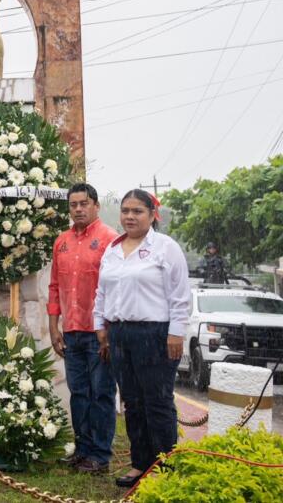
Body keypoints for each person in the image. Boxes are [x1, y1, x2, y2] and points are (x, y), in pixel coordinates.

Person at [93, 189, 191, 489]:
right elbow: (102, 292)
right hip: (120, 334)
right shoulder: (112, 249)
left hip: (156, 333)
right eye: (125, 211)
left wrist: (176, 332)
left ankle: (163, 466)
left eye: (137, 211)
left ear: (151, 215)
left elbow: (180, 295)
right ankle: (140, 463)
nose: (130, 217)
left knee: (157, 401)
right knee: (132, 402)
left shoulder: (165, 247)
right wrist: (101, 327)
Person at [47, 183, 118, 475]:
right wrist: (54, 328)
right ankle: (83, 449)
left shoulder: (110, 240)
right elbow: (54, 288)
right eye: (73, 204)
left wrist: (109, 332)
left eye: (84, 204)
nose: (78, 209)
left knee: (101, 393)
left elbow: (115, 290)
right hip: (72, 332)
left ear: (96, 206)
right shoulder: (61, 241)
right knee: (78, 393)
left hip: (99, 333)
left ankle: (100, 455)